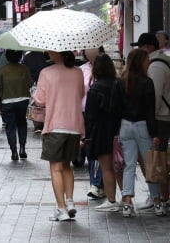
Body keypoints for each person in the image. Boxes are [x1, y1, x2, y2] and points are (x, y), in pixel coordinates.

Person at [111, 48, 163, 217]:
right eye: (146, 59)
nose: (149, 61)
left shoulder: (120, 82)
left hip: (125, 126)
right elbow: (150, 110)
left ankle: (126, 203)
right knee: (150, 166)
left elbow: (115, 109)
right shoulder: (147, 82)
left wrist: (115, 131)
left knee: (129, 165)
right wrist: (154, 133)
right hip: (142, 126)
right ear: (141, 62)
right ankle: (157, 202)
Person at [34, 51, 84, 221]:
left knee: (56, 168)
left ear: (57, 52)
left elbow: (40, 100)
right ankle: (69, 202)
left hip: (55, 125)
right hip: (75, 125)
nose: (48, 52)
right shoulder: (78, 72)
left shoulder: (46, 73)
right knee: (67, 166)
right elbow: (81, 94)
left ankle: (61, 209)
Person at [131, 33, 170, 211]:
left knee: (155, 160)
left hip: (160, 119)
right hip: (162, 117)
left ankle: (159, 197)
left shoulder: (155, 67)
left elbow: (153, 98)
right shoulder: (161, 61)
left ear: (148, 47)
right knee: (158, 159)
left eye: (140, 47)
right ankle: (159, 195)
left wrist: (149, 123)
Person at [84, 53, 121, 212]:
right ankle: (127, 201)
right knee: (121, 166)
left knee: (106, 167)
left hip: (102, 131)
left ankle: (112, 200)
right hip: (120, 129)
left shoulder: (96, 88)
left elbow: (90, 116)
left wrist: (86, 135)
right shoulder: (120, 84)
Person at [0, 50, 33, 160]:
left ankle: (14, 152)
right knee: (22, 123)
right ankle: (22, 148)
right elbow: (30, 83)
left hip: (7, 102)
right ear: (19, 56)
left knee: (10, 126)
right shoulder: (24, 68)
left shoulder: (2, 70)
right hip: (22, 100)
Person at [80, 48, 105, 200]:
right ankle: (95, 184)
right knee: (90, 150)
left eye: (93, 48)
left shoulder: (105, 67)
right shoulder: (82, 69)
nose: (90, 52)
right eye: (87, 49)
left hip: (100, 114)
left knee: (100, 150)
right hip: (84, 112)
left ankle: (97, 184)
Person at [22, 51, 50, 133]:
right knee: (43, 103)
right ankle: (43, 123)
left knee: (34, 103)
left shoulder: (27, 56)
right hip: (44, 82)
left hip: (32, 83)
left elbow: (24, 69)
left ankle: (37, 124)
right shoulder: (44, 55)